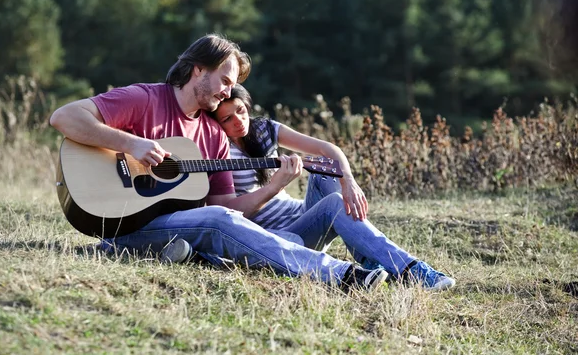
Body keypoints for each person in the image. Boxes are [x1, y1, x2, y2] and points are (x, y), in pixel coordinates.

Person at [49, 33, 388, 292]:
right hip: (120, 216)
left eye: (234, 86)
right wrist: (131, 143)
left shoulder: (213, 136)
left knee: (217, 217)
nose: (228, 92)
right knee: (215, 220)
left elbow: (228, 208)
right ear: (199, 70)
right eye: (226, 81)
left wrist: (274, 186)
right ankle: (338, 274)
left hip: (170, 223)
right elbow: (64, 117)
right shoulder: (144, 98)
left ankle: (150, 250)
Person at [210, 84, 456, 291]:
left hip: (302, 215)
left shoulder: (264, 129)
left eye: (241, 111)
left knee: (326, 173)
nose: (238, 121)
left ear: (247, 106)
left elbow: (326, 149)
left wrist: (348, 180)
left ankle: (369, 259)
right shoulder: (217, 147)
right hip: (280, 235)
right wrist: (275, 186)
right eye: (227, 119)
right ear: (216, 122)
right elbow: (230, 213)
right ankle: (411, 270)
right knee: (334, 204)